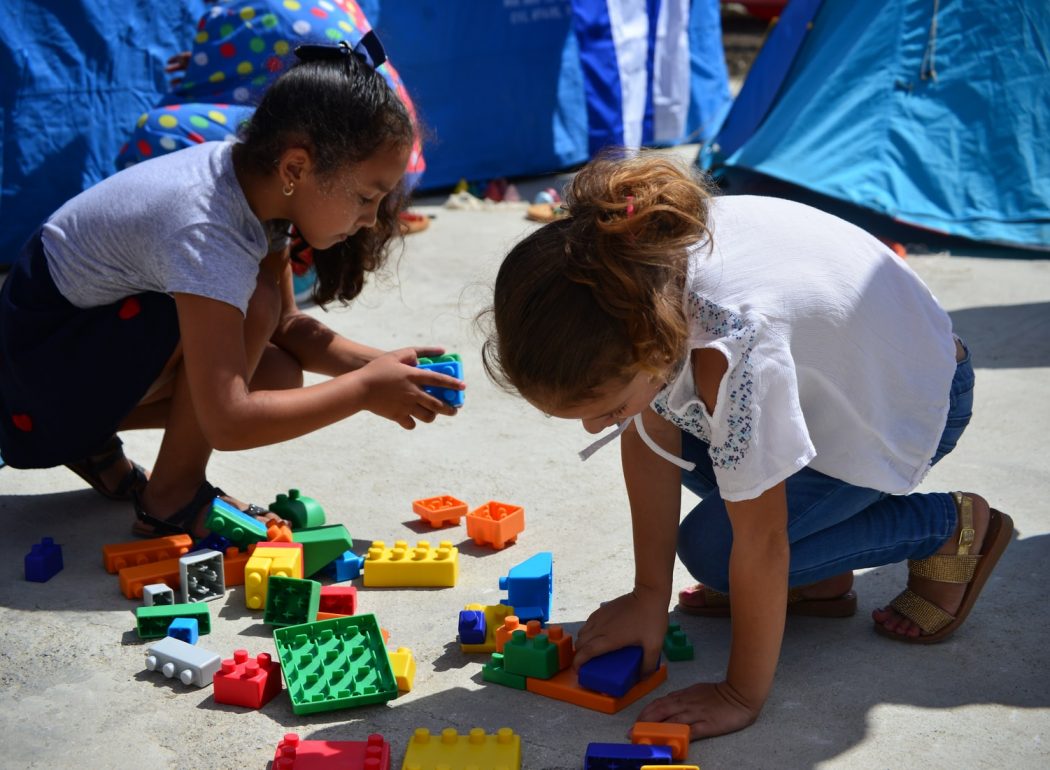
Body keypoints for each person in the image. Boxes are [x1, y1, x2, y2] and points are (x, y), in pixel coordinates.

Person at [480, 151, 1012, 739]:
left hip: (909, 405)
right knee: (680, 440)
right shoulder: (639, 269)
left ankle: (947, 526)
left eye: (602, 409)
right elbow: (651, 436)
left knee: (717, 552)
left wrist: (739, 693)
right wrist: (648, 595)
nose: (592, 428)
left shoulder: (729, 354)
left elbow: (762, 541)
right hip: (839, 382)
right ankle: (819, 578)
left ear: (654, 352)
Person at [0, 37, 463, 537]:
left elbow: (287, 325)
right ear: (296, 168)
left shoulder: (252, 184)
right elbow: (228, 420)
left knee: (277, 370)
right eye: (365, 197)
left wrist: (385, 367)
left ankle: (90, 441)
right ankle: (171, 497)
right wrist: (363, 391)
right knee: (255, 306)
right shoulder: (207, 229)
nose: (372, 219)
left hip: (65, 362)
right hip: (30, 390)